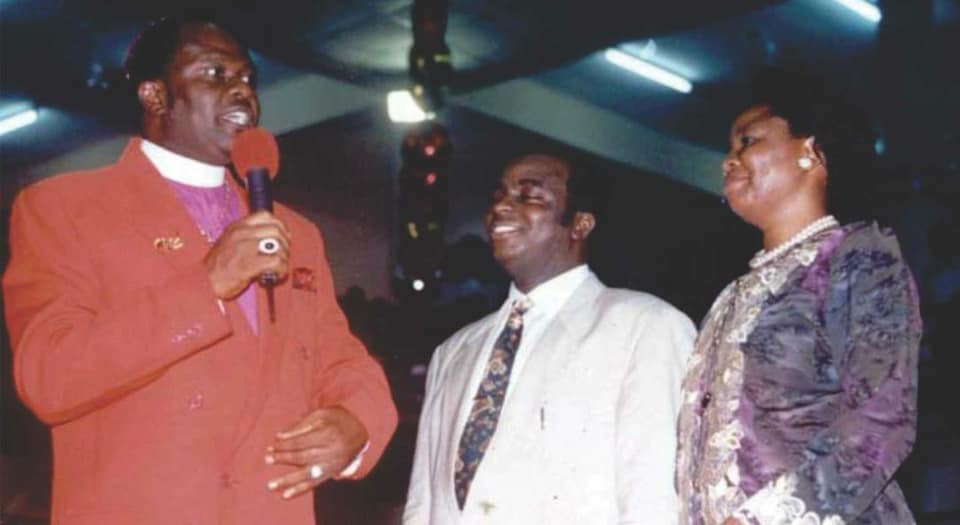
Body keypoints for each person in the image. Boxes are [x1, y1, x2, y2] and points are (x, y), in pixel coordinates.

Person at [2, 15, 397, 525]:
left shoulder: (298, 233)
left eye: (249, 78)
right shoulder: (64, 208)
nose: (243, 91)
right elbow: (49, 377)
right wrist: (207, 286)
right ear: (155, 96)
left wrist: (356, 423)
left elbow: (343, 361)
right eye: (215, 73)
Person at [675, 74, 922, 524]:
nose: (729, 160)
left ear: (810, 151)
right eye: (729, 148)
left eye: (747, 141)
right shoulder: (731, 295)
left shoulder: (858, 256)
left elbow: (885, 415)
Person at [403, 154, 696, 524]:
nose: (499, 207)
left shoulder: (646, 328)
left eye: (528, 196)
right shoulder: (453, 351)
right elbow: (422, 505)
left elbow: (653, 502)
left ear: (580, 224)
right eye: (497, 196)